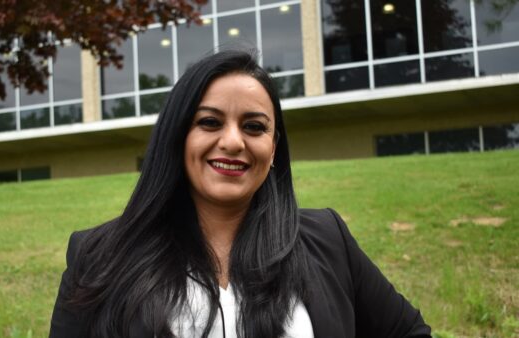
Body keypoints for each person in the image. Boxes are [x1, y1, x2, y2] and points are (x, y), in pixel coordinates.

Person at [49, 50, 431, 338]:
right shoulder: (98, 255)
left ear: (274, 146)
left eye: (254, 127)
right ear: (177, 135)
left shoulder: (328, 238)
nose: (233, 142)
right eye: (210, 122)